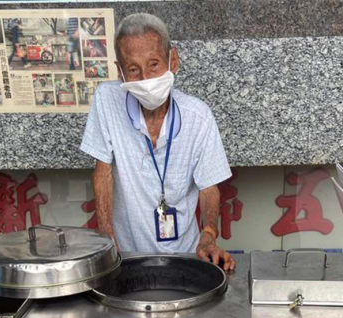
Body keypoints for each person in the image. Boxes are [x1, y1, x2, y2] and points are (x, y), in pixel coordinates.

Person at [80, 13, 234, 269]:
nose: (146, 78)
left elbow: (209, 187)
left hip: (185, 255)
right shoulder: (107, 101)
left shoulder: (198, 116)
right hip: (128, 255)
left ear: (173, 60)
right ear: (120, 72)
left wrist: (208, 235)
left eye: (154, 64)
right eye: (133, 69)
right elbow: (103, 171)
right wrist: (106, 234)